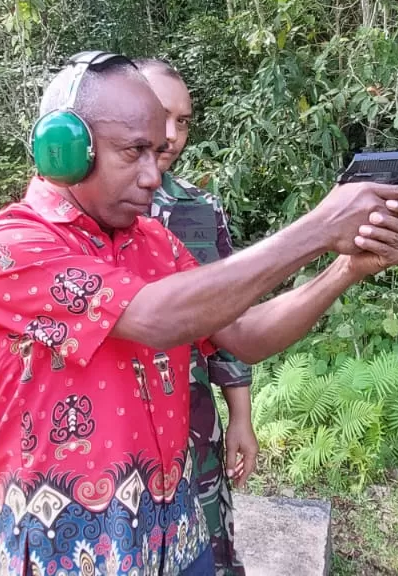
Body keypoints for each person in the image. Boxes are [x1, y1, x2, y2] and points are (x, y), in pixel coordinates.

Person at [0, 51, 398, 576]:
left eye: (158, 152)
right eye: (133, 152)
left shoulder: (156, 241)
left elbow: (245, 335)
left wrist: (345, 269)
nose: (152, 176)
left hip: (178, 534)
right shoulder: (10, 246)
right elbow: (154, 318)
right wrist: (318, 227)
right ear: (64, 152)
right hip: (70, 550)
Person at [138, 58, 255, 576]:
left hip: (195, 424)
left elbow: (231, 320)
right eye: (159, 115)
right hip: (119, 439)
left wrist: (241, 418)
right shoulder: (80, 218)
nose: (172, 135)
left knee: (210, 552)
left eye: (182, 121)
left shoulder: (201, 209)